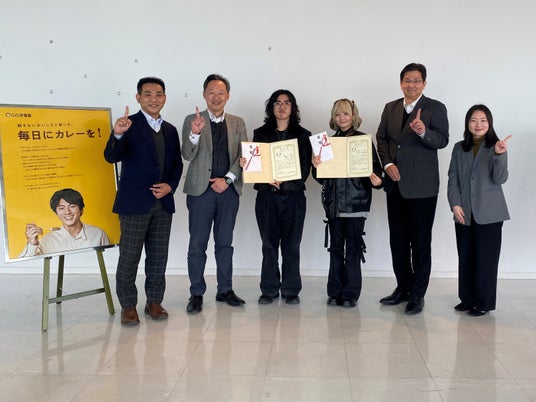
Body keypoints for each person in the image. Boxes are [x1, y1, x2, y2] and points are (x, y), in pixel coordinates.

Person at [104, 77, 183, 326]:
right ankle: (128, 306)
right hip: (134, 204)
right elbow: (110, 157)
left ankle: (154, 302)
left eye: (158, 94)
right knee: (129, 257)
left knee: (158, 257)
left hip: (163, 204)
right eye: (147, 94)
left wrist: (170, 186)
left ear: (164, 98)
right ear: (138, 98)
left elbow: (177, 165)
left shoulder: (170, 130)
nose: (153, 99)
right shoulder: (128, 125)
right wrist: (117, 134)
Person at [376, 63, 449, 315]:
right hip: (395, 184)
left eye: (417, 80)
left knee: (420, 243)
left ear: (424, 84)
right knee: (398, 241)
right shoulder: (390, 107)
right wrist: (387, 164)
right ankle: (403, 288)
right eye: (407, 80)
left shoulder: (435, 108)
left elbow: (442, 140)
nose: (411, 84)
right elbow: (382, 138)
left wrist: (423, 131)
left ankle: (417, 295)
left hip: (422, 187)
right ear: (400, 83)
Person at [181, 74, 247, 314]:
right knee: (197, 244)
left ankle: (225, 290)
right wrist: (195, 133)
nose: (216, 97)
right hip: (200, 192)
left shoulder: (238, 122)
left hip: (228, 191)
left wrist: (227, 179)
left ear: (227, 96)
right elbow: (187, 154)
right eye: (211, 92)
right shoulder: (192, 120)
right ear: (204, 95)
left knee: (225, 243)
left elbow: (243, 156)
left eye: (221, 93)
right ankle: (196, 293)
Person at [241, 89, 312, 305]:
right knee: (269, 245)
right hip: (267, 197)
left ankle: (291, 290)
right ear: (271, 107)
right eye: (277, 103)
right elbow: (256, 167)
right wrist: (249, 166)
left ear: (293, 108)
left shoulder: (303, 135)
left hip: (294, 198)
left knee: (292, 245)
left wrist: (286, 184)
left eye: (286, 103)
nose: (282, 107)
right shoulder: (260, 133)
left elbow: (305, 168)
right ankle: (269, 289)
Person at [312, 99, 383, 307]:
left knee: (353, 249)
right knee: (335, 248)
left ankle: (351, 293)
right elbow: (321, 178)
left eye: (345, 113)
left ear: (353, 116)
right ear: (333, 118)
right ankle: (334, 292)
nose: (341, 118)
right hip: (334, 204)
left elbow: (376, 171)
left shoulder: (363, 141)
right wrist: (316, 166)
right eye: (337, 114)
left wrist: (377, 180)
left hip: (356, 203)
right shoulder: (327, 143)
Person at [447, 104, 511, 317]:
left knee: (486, 260)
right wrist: (455, 204)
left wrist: (499, 155)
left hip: (490, 212)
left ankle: (483, 303)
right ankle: (467, 299)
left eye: (483, 120)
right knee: (465, 257)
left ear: (489, 123)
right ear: (467, 123)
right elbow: (453, 178)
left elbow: (500, 179)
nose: (478, 124)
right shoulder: (459, 148)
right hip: (464, 211)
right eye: (473, 120)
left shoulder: (496, 146)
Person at [19, 188, 110, 257]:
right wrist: (32, 243)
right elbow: (23, 266)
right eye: (61, 208)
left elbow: (109, 261)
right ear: (56, 213)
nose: (67, 212)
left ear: (81, 210)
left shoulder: (98, 234)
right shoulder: (47, 240)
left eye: (72, 206)